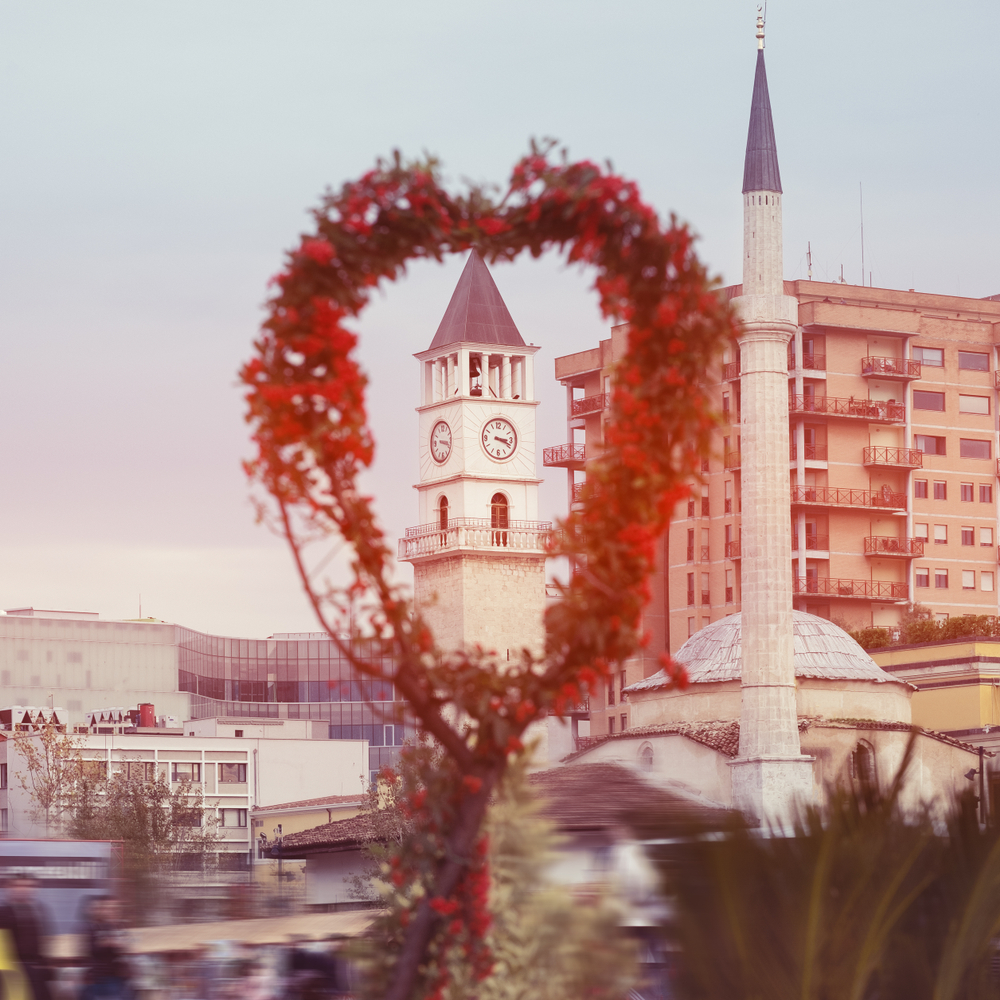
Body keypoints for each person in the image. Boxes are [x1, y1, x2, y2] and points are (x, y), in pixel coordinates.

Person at [0, 873, 52, 1000]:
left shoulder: (40, 910)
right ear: (9, 887)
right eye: (18, 885)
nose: (24, 889)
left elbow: (45, 938)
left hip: (36, 967)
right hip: (12, 968)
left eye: (29, 885)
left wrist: (46, 964)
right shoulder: (3, 912)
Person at [81, 896, 132, 1000]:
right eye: (109, 908)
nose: (113, 911)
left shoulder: (116, 926)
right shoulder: (93, 927)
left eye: (116, 908)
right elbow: (93, 948)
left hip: (115, 976)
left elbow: (126, 944)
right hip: (102, 977)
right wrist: (109, 942)